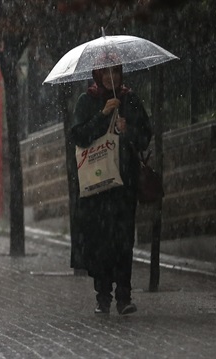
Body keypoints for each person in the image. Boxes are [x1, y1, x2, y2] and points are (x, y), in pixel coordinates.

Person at [70, 63, 152, 315]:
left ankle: (124, 296)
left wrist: (128, 131)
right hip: (97, 186)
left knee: (124, 240)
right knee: (101, 241)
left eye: (115, 72)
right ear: (97, 75)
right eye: (105, 72)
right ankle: (102, 295)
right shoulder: (87, 100)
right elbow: (79, 136)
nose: (110, 77)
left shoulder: (129, 99)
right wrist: (102, 116)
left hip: (123, 185)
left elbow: (146, 136)